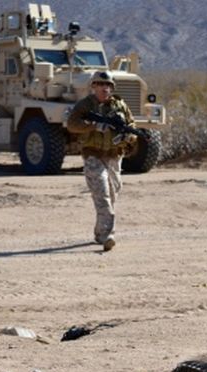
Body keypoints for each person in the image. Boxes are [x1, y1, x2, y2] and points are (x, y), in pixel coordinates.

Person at [67, 71, 136, 252]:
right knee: (103, 195)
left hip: (114, 156)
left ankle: (99, 232)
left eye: (108, 85)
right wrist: (94, 126)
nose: (105, 88)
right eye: (100, 85)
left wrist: (128, 136)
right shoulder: (85, 105)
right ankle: (107, 235)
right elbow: (72, 124)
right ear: (94, 87)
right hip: (93, 155)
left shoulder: (119, 105)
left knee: (113, 193)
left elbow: (132, 124)